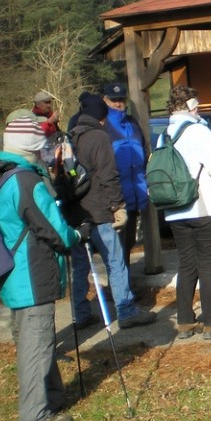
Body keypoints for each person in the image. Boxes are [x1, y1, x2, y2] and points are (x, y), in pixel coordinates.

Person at [0, 114, 86, 421]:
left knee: (37, 341)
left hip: (13, 273)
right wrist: (77, 235)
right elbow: (54, 229)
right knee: (36, 345)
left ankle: (52, 396)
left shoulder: (0, 175)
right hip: (31, 273)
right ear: (32, 146)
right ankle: (35, 414)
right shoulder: (26, 181)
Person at [67, 94, 156, 330]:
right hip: (99, 210)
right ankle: (126, 311)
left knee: (80, 266)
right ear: (101, 116)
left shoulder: (71, 136)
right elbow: (108, 174)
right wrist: (118, 206)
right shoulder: (99, 136)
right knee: (115, 262)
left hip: (75, 213)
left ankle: (80, 314)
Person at [160, 85, 211, 341]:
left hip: (175, 209)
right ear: (192, 105)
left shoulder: (164, 135)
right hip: (202, 205)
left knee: (186, 264)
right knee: (207, 265)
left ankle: (184, 321)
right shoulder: (197, 131)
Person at [102, 81, 148, 265]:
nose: (118, 103)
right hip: (116, 198)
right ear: (105, 100)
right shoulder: (103, 126)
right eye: (113, 100)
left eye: (120, 99)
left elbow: (144, 151)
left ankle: (127, 286)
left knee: (128, 244)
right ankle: (121, 290)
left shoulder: (132, 123)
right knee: (116, 249)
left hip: (135, 195)